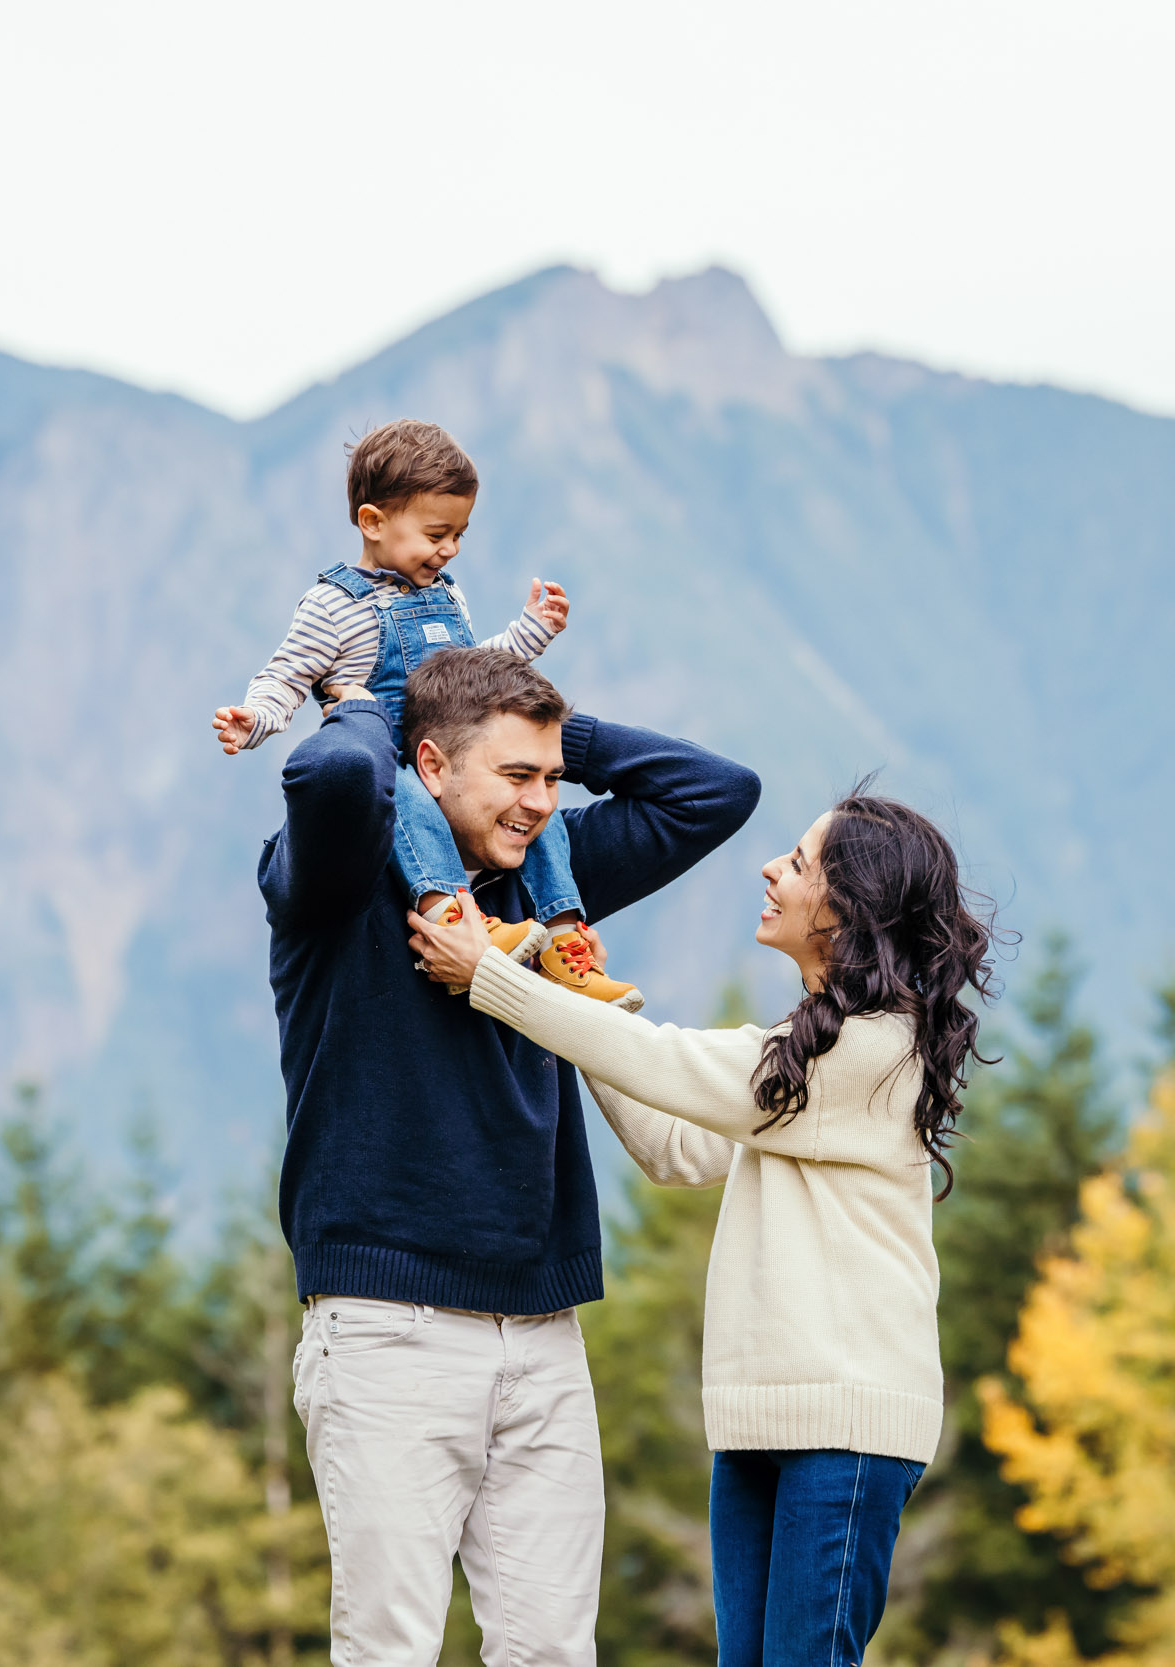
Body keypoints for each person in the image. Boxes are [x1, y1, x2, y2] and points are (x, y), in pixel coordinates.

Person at [410, 790, 996, 1667]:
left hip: (845, 1431)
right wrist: (569, 993)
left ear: (850, 908)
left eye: (798, 863)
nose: (771, 868)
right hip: (760, 1421)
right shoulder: (809, 1044)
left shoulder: (876, 1051)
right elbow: (674, 1145)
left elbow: (668, 1062)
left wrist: (500, 981)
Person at [264, 642, 759, 1663]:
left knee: (553, 1651)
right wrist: (371, 701)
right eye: (516, 775)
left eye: (552, 777)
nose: (540, 801)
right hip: (386, 1325)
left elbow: (715, 791)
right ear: (430, 765)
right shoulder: (338, 875)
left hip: (543, 1328)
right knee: (390, 1647)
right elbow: (333, 772)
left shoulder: (543, 873)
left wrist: (551, 734)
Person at [215, 417, 641, 1007]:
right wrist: (257, 716)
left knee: (542, 818)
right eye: (437, 533)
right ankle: (453, 915)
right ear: (373, 521)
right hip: (394, 759)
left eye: (459, 534)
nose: (450, 549)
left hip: (462, 750)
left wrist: (532, 632)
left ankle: (565, 942)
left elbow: (478, 674)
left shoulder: (446, 593)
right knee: (408, 800)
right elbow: (287, 673)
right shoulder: (333, 606)